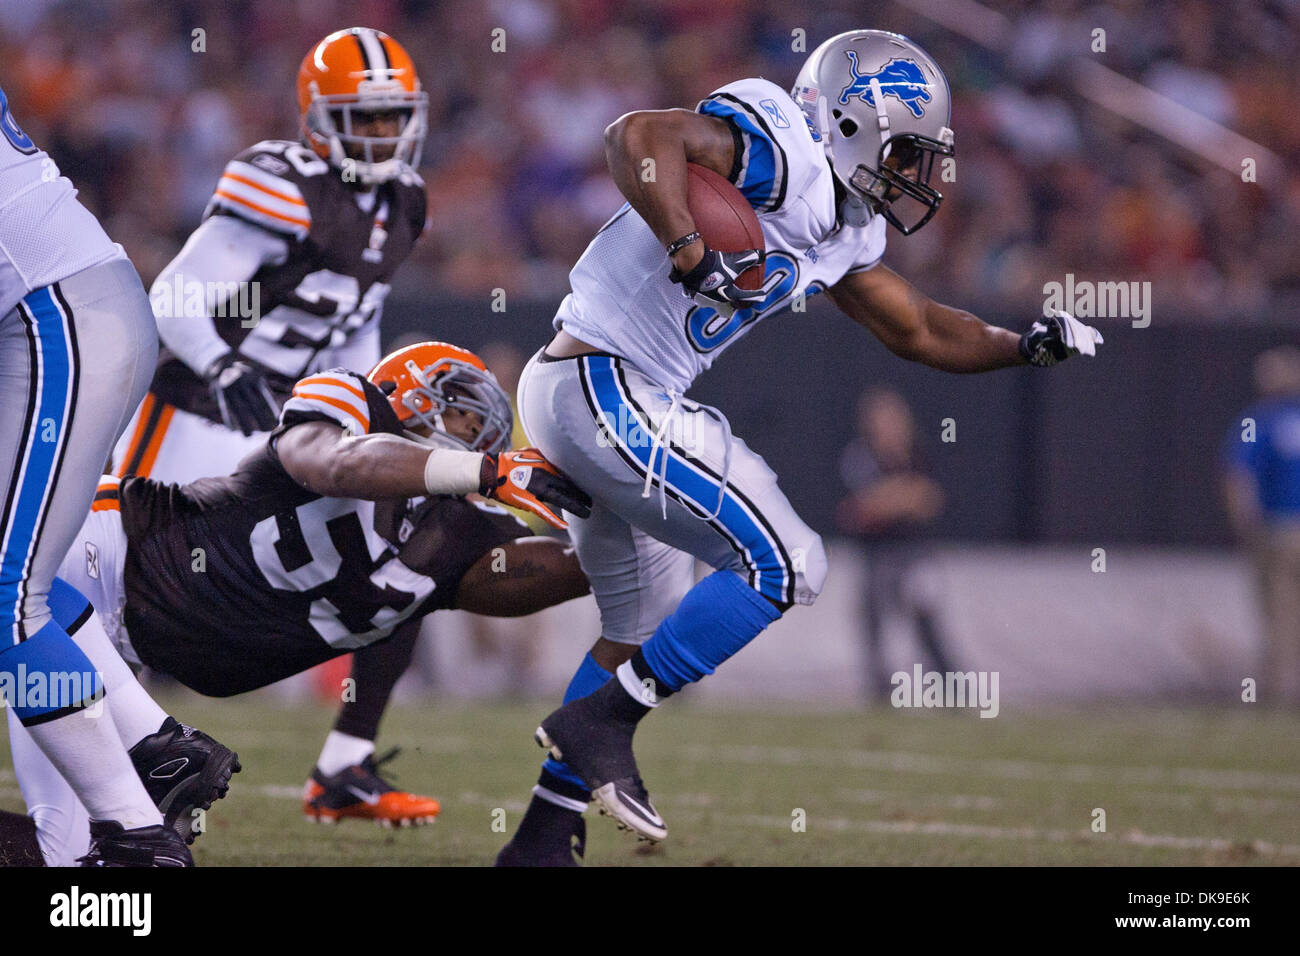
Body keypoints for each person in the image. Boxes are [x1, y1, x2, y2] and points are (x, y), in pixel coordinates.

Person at [496, 28, 1102, 866]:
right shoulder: (783, 151)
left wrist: (1023, 342)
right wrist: (687, 243)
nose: (919, 177)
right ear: (852, 123)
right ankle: (603, 722)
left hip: (595, 390)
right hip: (607, 380)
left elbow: (922, 329)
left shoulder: (847, 228)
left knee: (635, 632)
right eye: (906, 152)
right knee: (789, 561)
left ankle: (538, 840)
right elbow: (635, 136)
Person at [8, 341, 591, 864]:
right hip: (101, 554)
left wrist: (641, 519)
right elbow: (333, 463)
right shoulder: (348, 399)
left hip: (118, 642)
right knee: (9, 587)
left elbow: (574, 570)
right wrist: (480, 470)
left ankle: (159, 773)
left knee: (75, 851)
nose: (478, 431)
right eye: (465, 413)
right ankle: (156, 743)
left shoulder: (458, 537)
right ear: (412, 392)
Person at [111, 27, 451, 824]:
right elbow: (179, 300)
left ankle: (345, 762)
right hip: (198, 404)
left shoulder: (406, 201)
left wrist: (368, 409)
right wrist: (229, 367)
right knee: (126, 598)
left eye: (389, 117)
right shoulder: (283, 184)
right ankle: (121, 793)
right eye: (360, 118)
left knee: (394, 562)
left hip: (285, 418)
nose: (378, 133)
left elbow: (355, 322)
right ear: (318, 117)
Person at [0, 84, 195, 866]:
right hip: (51, 317)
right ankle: (157, 744)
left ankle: (139, 839)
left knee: (8, 593)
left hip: (60, 320)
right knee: (17, 586)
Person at [836, 388, 952, 699]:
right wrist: (903, 496)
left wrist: (893, 496)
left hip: (914, 553)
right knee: (874, 625)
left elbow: (930, 499)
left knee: (928, 622)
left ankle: (952, 689)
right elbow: (867, 505)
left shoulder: (917, 453)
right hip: (876, 553)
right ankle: (881, 694)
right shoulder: (860, 455)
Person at [1222, 345, 1300, 707]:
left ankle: (1278, 690)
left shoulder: (1260, 421)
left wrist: (1244, 524)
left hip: (1278, 529)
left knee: (1276, 610)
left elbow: (1239, 474)